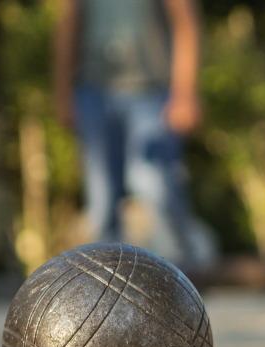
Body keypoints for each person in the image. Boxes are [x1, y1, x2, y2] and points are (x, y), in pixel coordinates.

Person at [53, 0, 207, 273]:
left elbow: (185, 20)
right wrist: (63, 93)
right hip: (93, 91)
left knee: (156, 186)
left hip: (151, 91)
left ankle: (186, 277)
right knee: (101, 200)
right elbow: (67, 23)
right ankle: (105, 289)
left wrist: (185, 92)